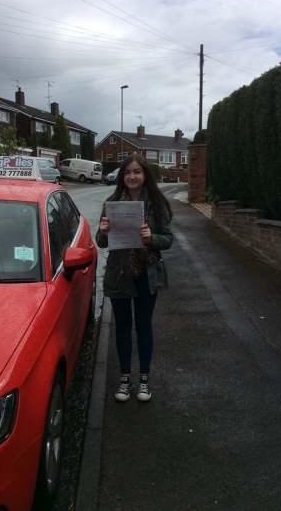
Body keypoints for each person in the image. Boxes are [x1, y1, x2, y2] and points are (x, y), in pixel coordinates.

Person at [96, 155, 173, 402]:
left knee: (143, 326)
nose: (132, 176)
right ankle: (125, 378)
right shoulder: (111, 202)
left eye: (137, 172)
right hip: (119, 273)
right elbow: (100, 241)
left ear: (145, 175)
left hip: (147, 274)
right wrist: (104, 232)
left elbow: (168, 239)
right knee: (122, 327)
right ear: (122, 177)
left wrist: (151, 238)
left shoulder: (157, 204)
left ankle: (144, 380)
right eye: (127, 172)